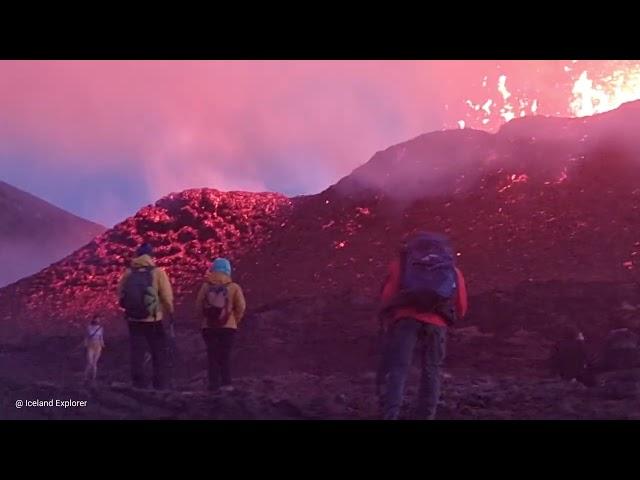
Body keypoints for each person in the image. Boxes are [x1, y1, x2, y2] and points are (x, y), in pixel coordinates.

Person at [378, 231, 468, 420]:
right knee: (432, 369)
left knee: (399, 367)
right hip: (437, 322)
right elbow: (461, 305)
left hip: (406, 320)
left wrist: (391, 315)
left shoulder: (403, 264)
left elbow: (388, 295)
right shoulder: (450, 268)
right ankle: (427, 415)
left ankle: (391, 414)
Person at [117, 243, 174, 390]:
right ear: (151, 256)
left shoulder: (128, 273)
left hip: (134, 319)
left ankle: (138, 383)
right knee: (158, 351)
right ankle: (159, 384)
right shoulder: (158, 272)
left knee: (137, 351)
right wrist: (170, 311)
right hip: (153, 319)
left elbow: (120, 293)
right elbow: (167, 296)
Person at [195, 258, 246, 392]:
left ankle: (213, 385)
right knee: (225, 355)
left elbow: (198, 306)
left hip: (209, 327)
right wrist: (234, 320)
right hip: (228, 328)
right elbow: (241, 307)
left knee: (212, 356)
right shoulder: (234, 287)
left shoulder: (206, 286)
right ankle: (226, 384)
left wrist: (203, 320)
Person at [84, 315, 105, 384]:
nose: (97, 321)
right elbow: (86, 337)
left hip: (98, 345)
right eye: (96, 319)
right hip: (91, 345)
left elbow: (101, 337)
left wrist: (103, 345)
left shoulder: (100, 328)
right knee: (89, 362)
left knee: (94, 363)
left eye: (98, 319)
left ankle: (93, 378)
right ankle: (86, 377)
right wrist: (86, 344)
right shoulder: (89, 327)